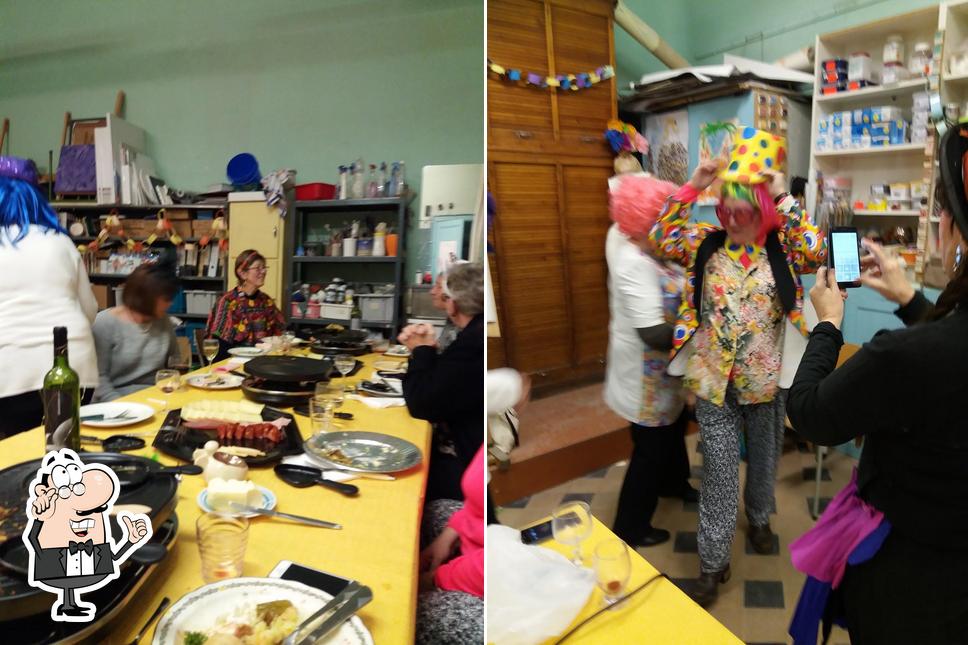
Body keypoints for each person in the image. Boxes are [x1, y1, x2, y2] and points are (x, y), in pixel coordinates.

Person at [785, 123, 968, 644]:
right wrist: (911, 300)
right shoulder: (930, 348)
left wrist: (827, 323)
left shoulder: (902, 357)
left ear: (952, 227)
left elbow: (810, 411)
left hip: (908, 589)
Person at [647, 127, 826, 606]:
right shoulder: (704, 246)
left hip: (766, 383)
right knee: (721, 474)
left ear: (761, 211)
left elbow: (817, 249)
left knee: (764, 463)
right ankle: (712, 565)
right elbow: (660, 237)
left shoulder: (781, 251)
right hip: (713, 384)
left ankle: (761, 517)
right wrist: (696, 182)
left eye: (743, 212)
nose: (732, 220)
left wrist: (781, 192)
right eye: (726, 210)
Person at [604, 170, 696, 549]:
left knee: (672, 429)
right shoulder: (632, 263)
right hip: (645, 373)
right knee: (650, 448)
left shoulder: (653, 248)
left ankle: (675, 484)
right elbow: (655, 334)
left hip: (665, 373)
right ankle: (630, 525)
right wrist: (701, 318)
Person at [0, 157, 98, 437]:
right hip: (73, 363)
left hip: (9, 370)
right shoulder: (60, 241)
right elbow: (89, 311)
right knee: (62, 449)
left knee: (11, 459)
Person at [400, 262, 485, 502]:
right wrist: (428, 350)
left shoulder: (473, 344)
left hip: (461, 463)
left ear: (453, 304)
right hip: (467, 454)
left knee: (407, 485)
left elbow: (422, 404)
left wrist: (422, 351)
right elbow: (447, 381)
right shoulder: (474, 334)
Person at [92, 255, 180, 402]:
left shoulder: (164, 320)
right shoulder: (105, 323)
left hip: (156, 399)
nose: (170, 304)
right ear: (147, 298)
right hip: (114, 403)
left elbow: (174, 365)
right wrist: (125, 407)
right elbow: (99, 381)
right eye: (166, 299)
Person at [205, 249, 285, 357]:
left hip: (263, 361)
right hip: (233, 363)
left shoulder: (266, 301)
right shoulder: (228, 301)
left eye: (264, 267)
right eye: (258, 268)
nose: (263, 271)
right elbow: (218, 345)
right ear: (242, 273)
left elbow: (282, 331)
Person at [431, 271, 460, 352]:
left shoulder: (466, 328)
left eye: (439, 287)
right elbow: (443, 350)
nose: (432, 292)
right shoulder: (451, 319)